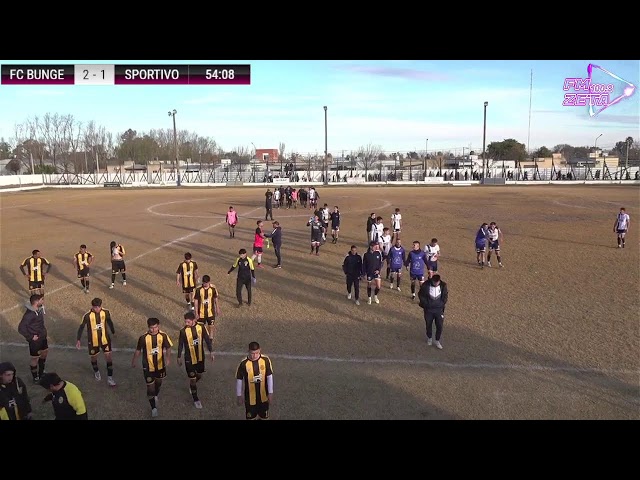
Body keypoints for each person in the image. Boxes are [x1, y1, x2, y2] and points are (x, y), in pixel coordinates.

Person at [131, 317, 173, 418]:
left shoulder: (163, 335)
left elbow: (168, 347)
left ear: (158, 326)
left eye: (155, 327)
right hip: (147, 366)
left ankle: (155, 395)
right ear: (148, 327)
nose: (153, 330)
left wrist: (168, 358)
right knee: (150, 387)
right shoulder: (143, 338)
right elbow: (138, 350)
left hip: (160, 365)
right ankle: (153, 408)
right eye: (151, 328)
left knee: (158, 383)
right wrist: (134, 361)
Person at [177, 311, 214, 409]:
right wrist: (179, 357)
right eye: (185, 321)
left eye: (188, 322)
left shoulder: (201, 327)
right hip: (189, 359)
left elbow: (206, 339)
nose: (186, 324)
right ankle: (196, 399)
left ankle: (192, 387)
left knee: (199, 375)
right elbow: (180, 344)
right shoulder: (183, 331)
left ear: (194, 320)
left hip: (200, 357)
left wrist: (211, 351)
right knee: (192, 380)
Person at [76, 297, 117, 386]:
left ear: (101, 306)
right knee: (94, 358)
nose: (97, 309)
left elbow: (109, 322)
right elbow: (81, 327)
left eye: (98, 307)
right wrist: (78, 339)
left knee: (109, 358)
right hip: (93, 341)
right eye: (95, 307)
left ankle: (110, 378)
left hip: (105, 339)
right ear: (92, 306)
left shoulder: (106, 312)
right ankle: (97, 372)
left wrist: (113, 332)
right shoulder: (87, 316)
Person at [236, 341, 274, 420]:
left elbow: (269, 376)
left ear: (260, 350)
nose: (254, 356)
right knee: (251, 418)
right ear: (248, 351)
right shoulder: (243, 364)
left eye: (256, 353)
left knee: (264, 417)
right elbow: (239, 379)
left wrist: (270, 393)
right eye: (252, 353)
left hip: (263, 397)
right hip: (250, 398)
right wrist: (239, 395)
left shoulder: (265, 360)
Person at [17, 293, 48, 383]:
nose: (43, 301)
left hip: (42, 337)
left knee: (44, 353)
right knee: (35, 358)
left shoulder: (39, 310)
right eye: (42, 300)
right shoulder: (29, 315)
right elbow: (21, 328)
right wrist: (30, 337)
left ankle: (41, 372)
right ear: (37, 302)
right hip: (35, 341)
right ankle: (35, 377)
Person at [418, 274, 449, 349]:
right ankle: (429, 338)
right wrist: (426, 304)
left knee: (439, 325)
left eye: (437, 282)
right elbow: (420, 295)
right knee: (428, 324)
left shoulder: (443, 285)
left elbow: (445, 296)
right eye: (434, 282)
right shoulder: (425, 285)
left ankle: (437, 340)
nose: (436, 284)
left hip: (439, 310)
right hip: (429, 310)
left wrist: (441, 303)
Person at [193, 275, 220, 342]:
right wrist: (196, 312)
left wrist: (217, 308)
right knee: (200, 328)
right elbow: (196, 301)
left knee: (211, 326)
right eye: (204, 283)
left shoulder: (213, 289)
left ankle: (210, 339)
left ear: (209, 282)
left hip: (210, 312)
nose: (205, 284)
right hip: (201, 312)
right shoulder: (198, 290)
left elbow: (215, 299)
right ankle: (200, 339)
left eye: (206, 283)